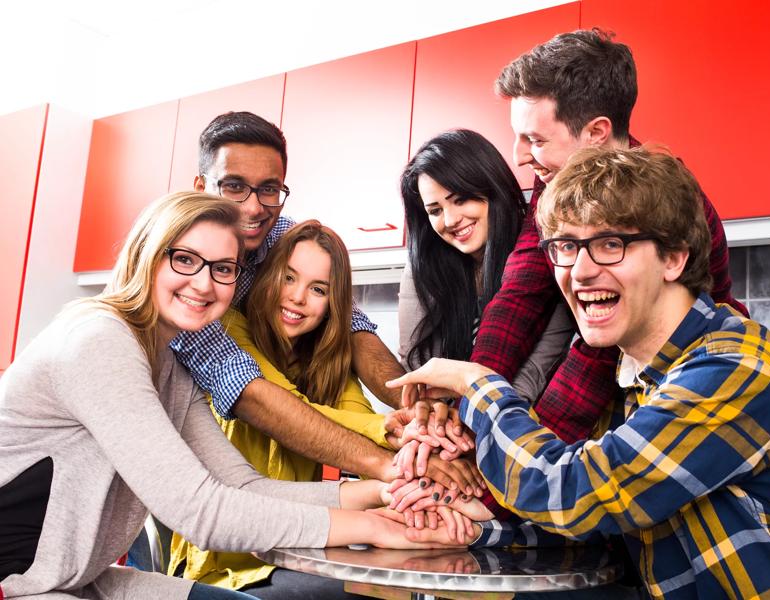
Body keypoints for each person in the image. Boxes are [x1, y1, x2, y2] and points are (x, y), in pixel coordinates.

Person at [0, 192, 461, 600]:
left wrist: (387, 493)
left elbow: (244, 487)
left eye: (222, 269)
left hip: (74, 579)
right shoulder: (99, 340)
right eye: (184, 259)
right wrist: (378, 527)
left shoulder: (171, 367)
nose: (203, 283)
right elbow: (200, 510)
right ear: (146, 253)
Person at [389, 148, 770, 600]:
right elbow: (606, 531)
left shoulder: (734, 364)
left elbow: (576, 491)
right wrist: (470, 529)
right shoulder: (632, 380)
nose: (580, 272)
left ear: (673, 259)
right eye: (565, 247)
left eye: (610, 244)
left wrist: (477, 383)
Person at [460, 29, 747, 445]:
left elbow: (600, 352)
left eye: (535, 139)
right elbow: (520, 292)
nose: (520, 155)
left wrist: (487, 451)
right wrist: (462, 405)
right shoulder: (557, 181)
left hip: (686, 395)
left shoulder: (668, 201)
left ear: (595, 132)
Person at [170, 220, 480, 598]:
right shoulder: (231, 328)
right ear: (268, 278)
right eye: (288, 278)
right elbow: (297, 410)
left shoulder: (327, 360)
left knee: (397, 590)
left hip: (304, 541)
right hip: (224, 560)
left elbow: (361, 419)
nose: (298, 297)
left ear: (334, 304)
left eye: (318, 289)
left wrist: (430, 453)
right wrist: (394, 430)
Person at [170, 112, 474, 492]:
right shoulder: (183, 278)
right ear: (201, 186)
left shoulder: (280, 237)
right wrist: (388, 461)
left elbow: (350, 325)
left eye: (269, 189)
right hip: (176, 469)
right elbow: (246, 387)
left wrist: (419, 411)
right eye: (233, 186)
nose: (253, 208)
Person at [399, 129, 573, 404]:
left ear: (494, 188)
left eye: (461, 199)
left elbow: (533, 374)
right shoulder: (424, 264)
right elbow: (416, 363)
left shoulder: (543, 258)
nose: (451, 219)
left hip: (520, 418)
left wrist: (468, 422)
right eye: (435, 210)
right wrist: (436, 420)